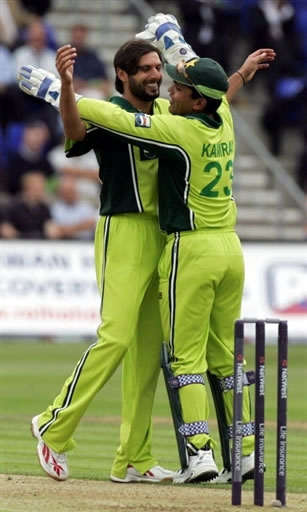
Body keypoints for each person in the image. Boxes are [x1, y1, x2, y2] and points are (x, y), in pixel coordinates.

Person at [18, 15, 275, 484]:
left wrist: (236, 76)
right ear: (124, 75)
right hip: (123, 230)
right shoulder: (118, 108)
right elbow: (77, 129)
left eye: (161, 68)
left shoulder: (169, 116)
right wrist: (66, 91)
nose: (158, 76)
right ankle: (53, 424)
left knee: (145, 354)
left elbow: (213, 106)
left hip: (167, 238)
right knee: (115, 336)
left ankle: (131, 458)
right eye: (148, 69)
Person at [0, 172, 60, 239]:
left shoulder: (45, 209)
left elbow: (51, 228)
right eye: (37, 188)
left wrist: (52, 230)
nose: (42, 191)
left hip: (39, 245)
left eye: (42, 188)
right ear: (27, 189)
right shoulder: (13, 208)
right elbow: (6, 229)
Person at [50, 175, 98, 240]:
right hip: (63, 242)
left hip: (85, 242)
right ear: (61, 193)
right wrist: (79, 227)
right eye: (66, 192)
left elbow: (92, 223)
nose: (69, 194)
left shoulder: (86, 206)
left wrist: (70, 229)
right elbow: (53, 229)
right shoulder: (56, 207)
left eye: (71, 191)